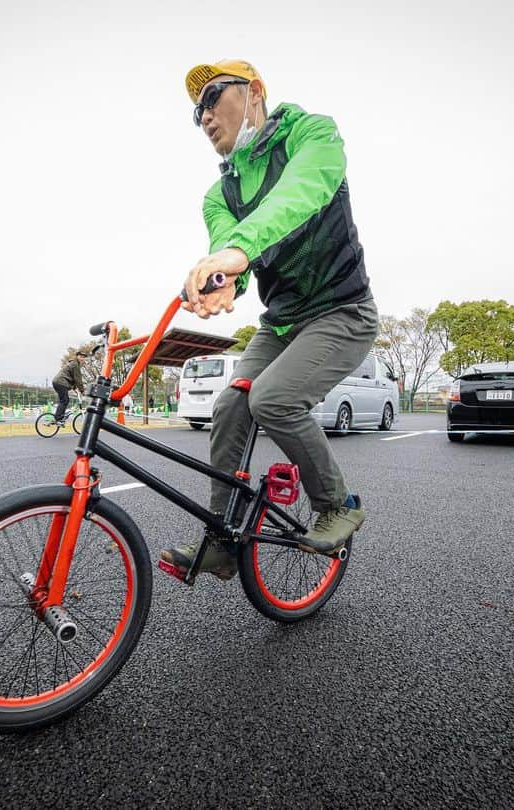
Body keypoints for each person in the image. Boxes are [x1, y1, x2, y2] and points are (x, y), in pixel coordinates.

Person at [161, 59, 378, 581]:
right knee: (231, 403)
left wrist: (238, 250)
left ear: (253, 91)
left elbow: (300, 192)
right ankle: (223, 539)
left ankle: (337, 504)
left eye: (212, 98)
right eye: (197, 113)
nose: (205, 117)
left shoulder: (311, 134)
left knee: (273, 399)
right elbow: (226, 246)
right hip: (282, 324)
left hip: (342, 312)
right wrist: (221, 279)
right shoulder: (220, 194)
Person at [51, 350, 86, 425]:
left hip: (58, 382)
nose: (82, 358)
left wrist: (75, 389)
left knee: (63, 400)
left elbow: (71, 378)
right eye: (81, 357)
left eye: (84, 357)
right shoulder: (75, 365)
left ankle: (59, 417)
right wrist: (82, 391)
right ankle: (58, 418)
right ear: (77, 356)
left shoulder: (73, 364)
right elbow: (78, 380)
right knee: (65, 400)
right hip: (61, 383)